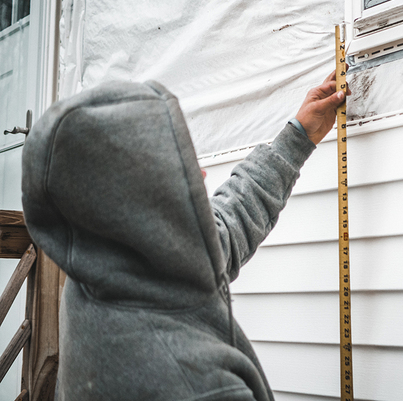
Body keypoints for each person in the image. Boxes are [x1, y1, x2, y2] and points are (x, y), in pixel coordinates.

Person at [21, 72, 349, 400]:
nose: (201, 174)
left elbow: (226, 226)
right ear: (142, 202)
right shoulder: (194, 384)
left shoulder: (96, 268)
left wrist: (297, 136)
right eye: (181, 170)